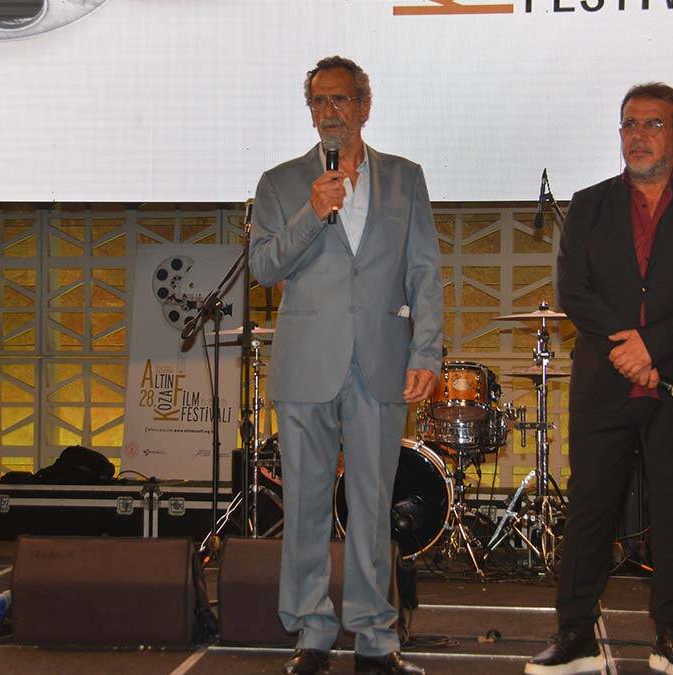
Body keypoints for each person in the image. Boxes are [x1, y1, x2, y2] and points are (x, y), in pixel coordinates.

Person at [526, 83, 673, 675]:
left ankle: (671, 635)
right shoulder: (588, 204)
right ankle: (575, 635)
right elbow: (574, 291)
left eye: (653, 124)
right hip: (606, 382)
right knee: (590, 512)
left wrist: (653, 347)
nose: (638, 135)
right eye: (629, 124)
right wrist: (627, 351)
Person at [249, 56, 443, 675]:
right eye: (319, 101)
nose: (330, 111)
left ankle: (374, 637)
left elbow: (424, 271)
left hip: (382, 360)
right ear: (310, 112)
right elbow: (264, 267)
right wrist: (312, 212)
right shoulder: (280, 183)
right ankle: (311, 632)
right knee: (305, 505)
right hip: (307, 363)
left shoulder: (405, 179)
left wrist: (426, 350)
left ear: (364, 105)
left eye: (340, 99)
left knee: (372, 503)